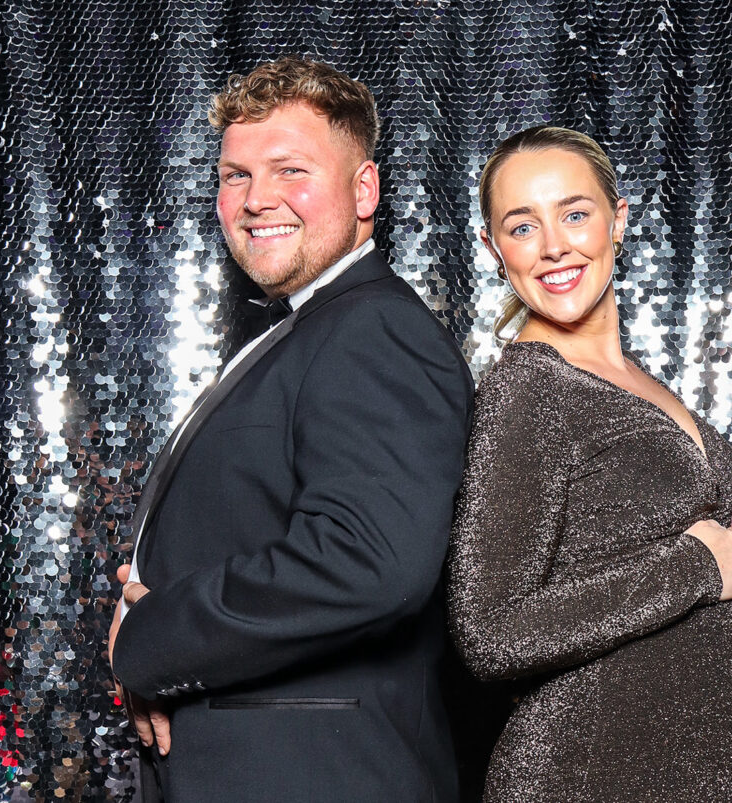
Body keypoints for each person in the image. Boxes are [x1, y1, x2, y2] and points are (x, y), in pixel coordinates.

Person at [107, 56, 473, 802]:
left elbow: (366, 560)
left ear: (364, 189)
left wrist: (153, 639)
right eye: (235, 175)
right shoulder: (308, 329)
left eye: (290, 169)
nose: (256, 198)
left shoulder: (372, 329)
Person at [448, 126, 732, 802]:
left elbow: (624, 528)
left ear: (619, 220)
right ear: (493, 248)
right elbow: (492, 630)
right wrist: (697, 565)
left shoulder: (626, 375)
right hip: (590, 771)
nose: (555, 244)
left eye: (575, 213)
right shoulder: (530, 389)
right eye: (522, 226)